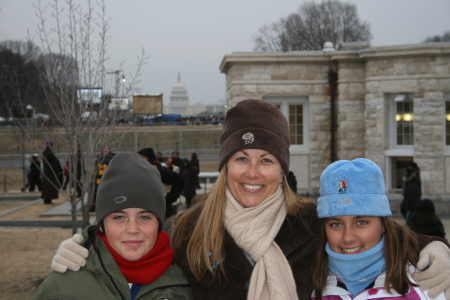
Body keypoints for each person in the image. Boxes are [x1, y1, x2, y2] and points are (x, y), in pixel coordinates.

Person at [48, 100, 450, 299]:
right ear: (226, 165)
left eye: (266, 160)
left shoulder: (311, 220)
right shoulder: (190, 228)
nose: (253, 173)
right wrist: (81, 246)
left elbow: (382, 238)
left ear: (282, 168)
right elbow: (136, 250)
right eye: (241, 158)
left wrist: (438, 249)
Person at [34, 152, 194, 299]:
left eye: (144, 217)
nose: (132, 229)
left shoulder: (187, 284)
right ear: (101, 225)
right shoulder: (59, 289)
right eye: (119, 217)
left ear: (159, 222)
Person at [312, 158, 448, 300]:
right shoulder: (305, 281)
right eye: (336, 224)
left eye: (361, 222)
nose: (348, 237)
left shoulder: (427, 281)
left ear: (383, 224)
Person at [137, 148, 185, 219]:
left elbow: (180, 180)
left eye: (143, 157)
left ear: (150, 159)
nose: (140, 159)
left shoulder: (157, 172)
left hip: (163, 214)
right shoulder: (139, 173)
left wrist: (168, 200)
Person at [92, 145, 115, 211]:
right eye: (104, 148)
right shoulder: (99, 158)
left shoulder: (112, 158)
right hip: (99, 179)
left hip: (109, 179)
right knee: (97, 193)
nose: (105, 150)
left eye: (107, 148)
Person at [41, 139, 62, 205]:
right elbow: (54, 164)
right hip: (51, 173)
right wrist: (57, 171)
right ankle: (47, 199)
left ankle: (47, 198)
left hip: (47, 172)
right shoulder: (50, 153)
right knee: (49, 186)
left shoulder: (46, 152)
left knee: (48, 186)